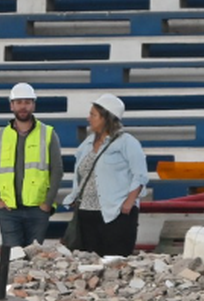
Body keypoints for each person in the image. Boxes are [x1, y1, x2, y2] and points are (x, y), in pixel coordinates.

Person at [63, 94, 148, 256]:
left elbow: (140, 175)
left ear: (106, 118)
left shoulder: (127, 142)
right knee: (89, 262)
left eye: (93, 115)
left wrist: (128, 204)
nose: (89, 118)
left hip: (114, 213)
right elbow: (80, 174)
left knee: (115, 260)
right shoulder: (87, 144)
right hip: (86, 212)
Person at [0, 82, 63, 248]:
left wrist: (47, 203)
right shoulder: (0, 135)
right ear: (11, 105)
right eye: (19, 102)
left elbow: (57, 170)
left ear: (33, 105)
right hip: (8, 209)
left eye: (27, 102)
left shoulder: (48, 133)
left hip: (37, 209)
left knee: (33, 257)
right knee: (13, 257)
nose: (23, 107)